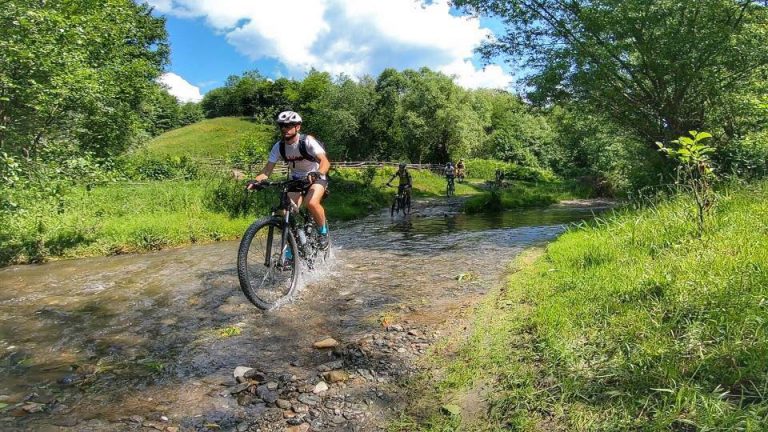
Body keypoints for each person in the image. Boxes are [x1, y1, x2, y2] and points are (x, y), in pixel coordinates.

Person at [246, 110, 331, 249]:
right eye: (282, 126)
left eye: (289, 125)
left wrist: (317, 173)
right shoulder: (279, 146)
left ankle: (323, 233)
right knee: (286, 211)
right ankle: (293, 246)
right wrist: (256, 181)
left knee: (311, 203)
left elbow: (325, 162)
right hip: (296, 180)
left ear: (297, 127)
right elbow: (267, 170)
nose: (284, 128)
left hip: (316, 177)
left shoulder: (307, 141)